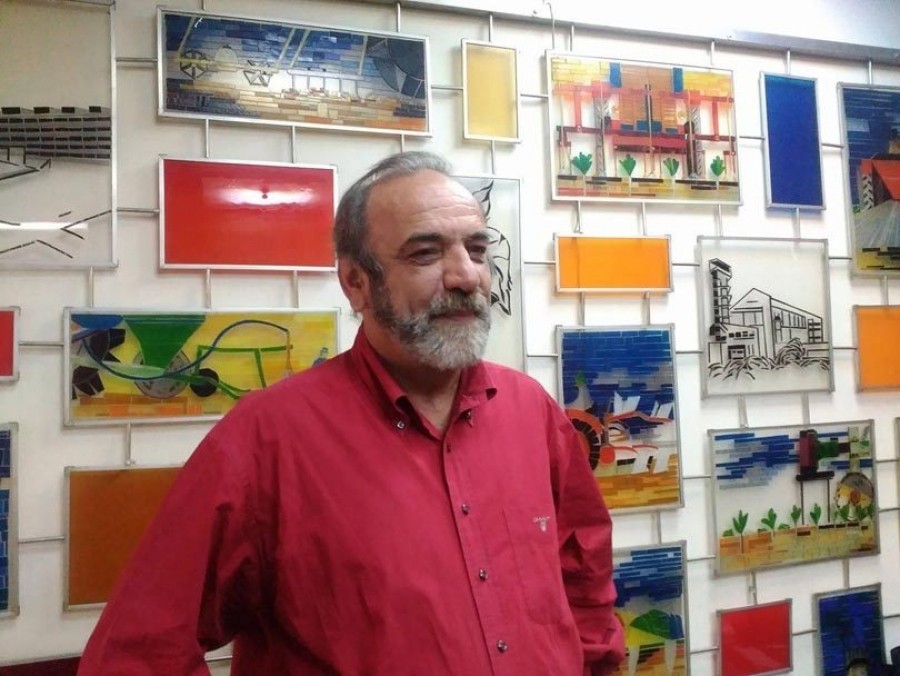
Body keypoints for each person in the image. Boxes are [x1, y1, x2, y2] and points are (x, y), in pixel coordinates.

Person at [78, 151, 625, 675]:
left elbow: (585, 582)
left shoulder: (531, 411)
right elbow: (140, 653)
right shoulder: (268, 440)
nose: (466, 277)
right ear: (356, 282)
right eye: (425, 254)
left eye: (477, 250)